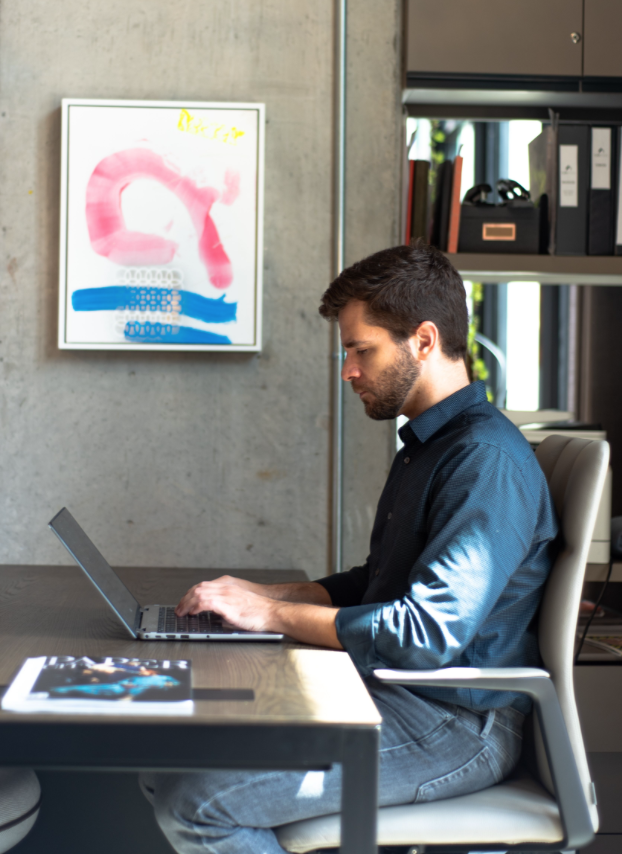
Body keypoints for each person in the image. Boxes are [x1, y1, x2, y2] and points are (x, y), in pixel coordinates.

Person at [140, 243, 558, 854]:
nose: (348, 370)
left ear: (422, 340)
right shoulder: (428, 446)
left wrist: (275, 616)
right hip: (396, 695)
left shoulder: (483, 461)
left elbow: (426, 633)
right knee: (167, 764)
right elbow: (378, 580)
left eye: (362, 349)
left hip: (454, 723)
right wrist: (264, 596)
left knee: (197, 802)